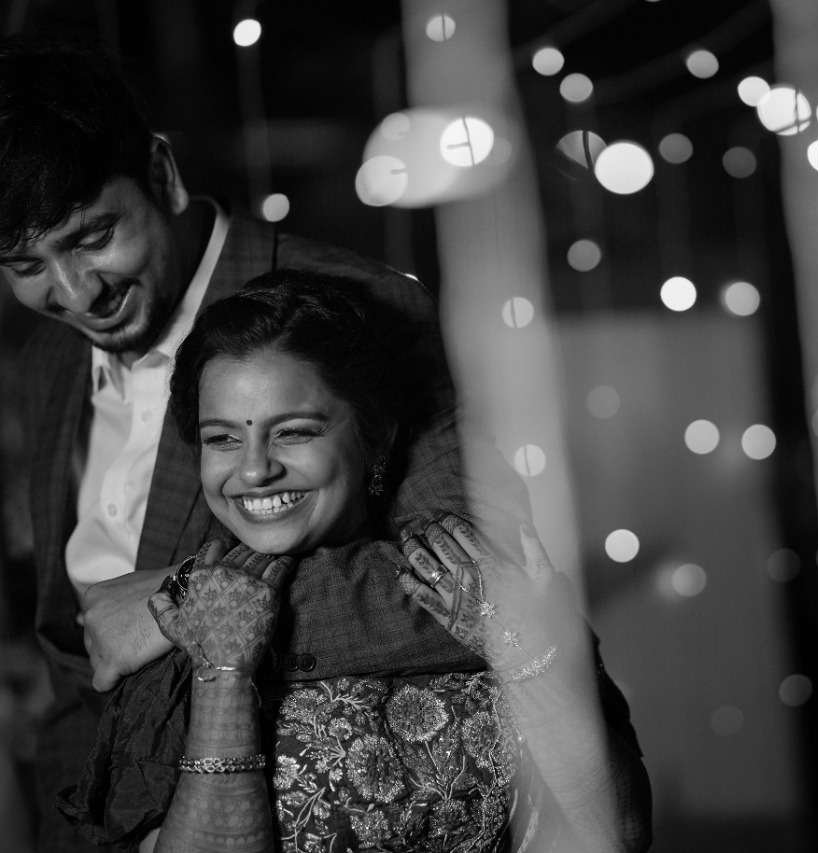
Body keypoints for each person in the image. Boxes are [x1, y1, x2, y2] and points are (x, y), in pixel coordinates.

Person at [0, 36, 501, 852]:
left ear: (161, 172)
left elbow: (480, 587)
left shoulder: (369, 307)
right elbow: (73, 665)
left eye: (93, 236)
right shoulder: (46, 358)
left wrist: (181, 604)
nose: (74, 292)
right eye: (26, 265)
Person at [59, 270, 650, 852]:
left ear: (375, 436)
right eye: (223, 439)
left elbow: (617, 833)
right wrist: (223, 683)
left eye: (293, 432)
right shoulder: (177, 643)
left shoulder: (485, 587)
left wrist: (526, 651)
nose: (254, 469)